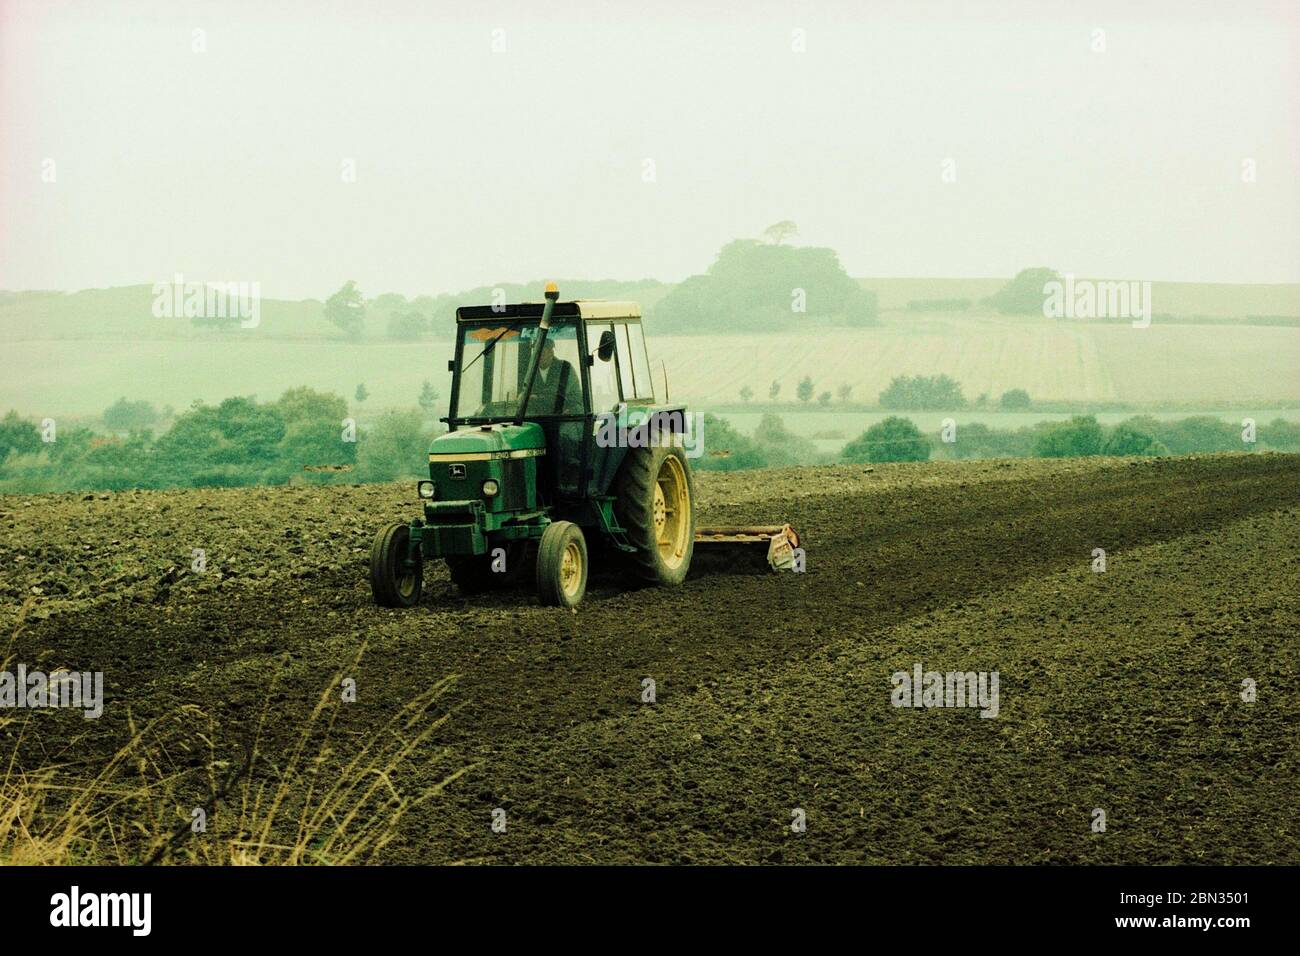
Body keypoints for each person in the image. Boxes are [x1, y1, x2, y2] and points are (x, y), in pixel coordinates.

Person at [528, 337, 582, 414]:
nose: (538, 356)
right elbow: (523, 394)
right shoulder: (531, 370)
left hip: (567, 413)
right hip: (541, 416)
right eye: (536, 352)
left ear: (551, 353)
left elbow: (557, 394)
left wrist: (535, 397)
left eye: (542, 352)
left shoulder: (565, 367)